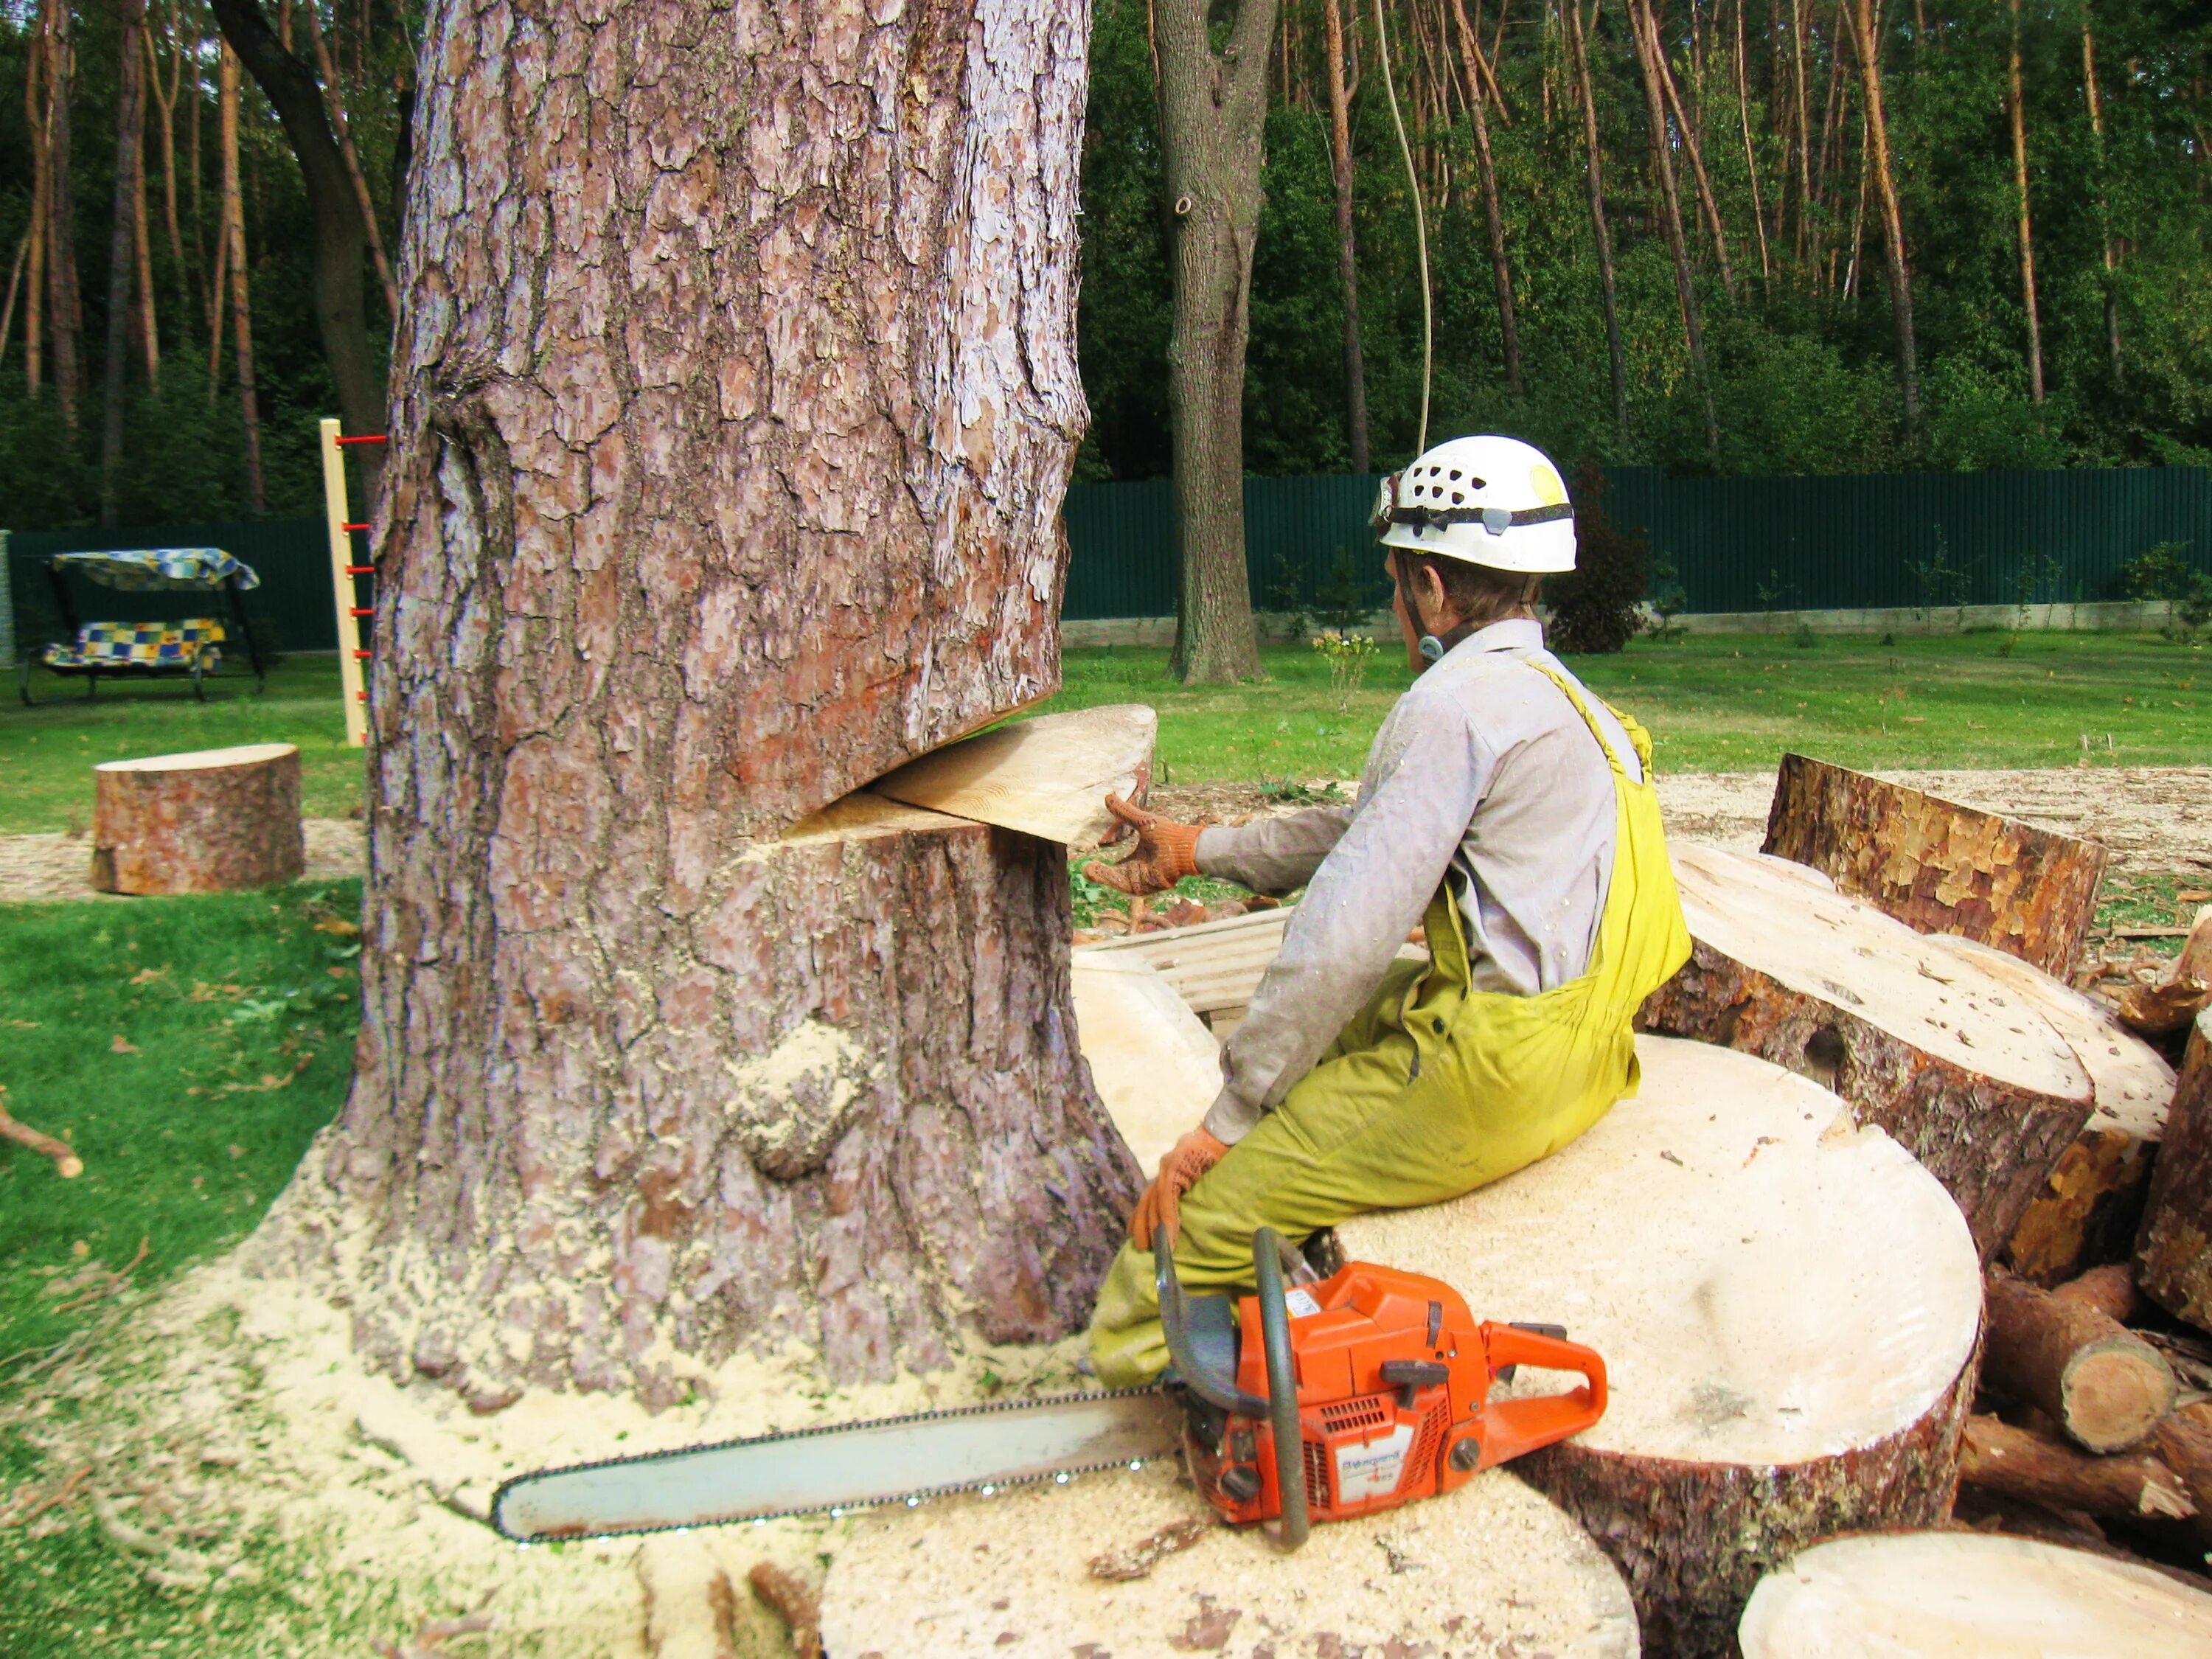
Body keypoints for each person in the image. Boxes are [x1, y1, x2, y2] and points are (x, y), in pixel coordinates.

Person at [1081, 435, 1691, 1387]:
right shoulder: (1562, 698)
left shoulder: (1452, 708)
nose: (1394, 610)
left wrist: (1228, 1121)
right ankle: (1293, 1251)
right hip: (1588, 1057)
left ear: (1435, 590)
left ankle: (1126, 1384)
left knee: (1197, 1219)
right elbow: (1368, 829)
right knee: (1352, 1030)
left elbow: (1338, 943)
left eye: (1397, 584)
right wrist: (1199, 850)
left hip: (1494, 1077)